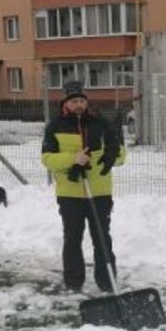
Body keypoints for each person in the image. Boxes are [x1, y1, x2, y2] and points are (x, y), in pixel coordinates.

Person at [41, 81, 125, 293]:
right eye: (74, 101)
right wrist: (73, 158)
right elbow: (48, 159)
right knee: (72, 238)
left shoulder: (101, 124)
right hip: (70, 193)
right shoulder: (55, 127)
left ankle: (107, 283)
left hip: (100, 191)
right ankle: (73, 282)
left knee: (102, 238)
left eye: (81, 101)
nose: (78, 104)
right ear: (66, 104)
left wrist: (111, 156)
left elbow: (121, 154)